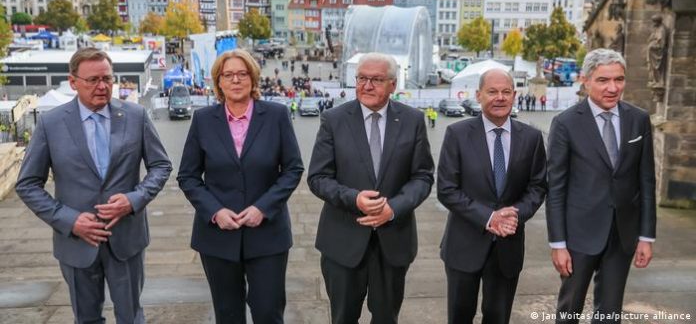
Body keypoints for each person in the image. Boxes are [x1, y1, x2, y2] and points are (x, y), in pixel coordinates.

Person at [15, 47, 172, 323]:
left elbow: (161, 166)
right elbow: (27, 184)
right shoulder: (51, 124)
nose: (102, 86)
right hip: (76, 242)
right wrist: (70, 220)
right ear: (73, 82)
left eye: (107, 79)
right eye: (93, 80)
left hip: (126, 239)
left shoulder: (136, 116)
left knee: (132, 317)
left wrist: (134, 199)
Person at [177, 50, 304, 324]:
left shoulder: (276, 115)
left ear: (253, 78)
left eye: (242, 73)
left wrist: (263, 207)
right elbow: (187, 176)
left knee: (269, 312)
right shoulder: (203, 120)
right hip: (217, 236)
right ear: (218, 82)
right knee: (228, 314)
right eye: (228, 75)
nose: (236, 80)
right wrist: (214, 211)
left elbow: (293, 169)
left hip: (267, 234)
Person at [307, 52, 434, 324]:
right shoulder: (334, 119)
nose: (367, 85)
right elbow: (318, 177)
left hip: (393, 242)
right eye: (362, 78)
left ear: (393, 84)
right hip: (342, 241)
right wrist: (354, 199)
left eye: (376, 79)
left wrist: (393, 208)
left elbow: (422, 176)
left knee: (387, 317)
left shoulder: (412, 120)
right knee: (342, 318)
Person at [546, 48, 656, 323]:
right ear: (586, 80)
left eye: (619, 80)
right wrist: (558, 243)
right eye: (603, 80)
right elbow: (556, 187)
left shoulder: (639, 120)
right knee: (569, 310)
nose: (613, 88)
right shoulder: (565, 124)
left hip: (622, 235)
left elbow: (646, 181)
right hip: (578, 237)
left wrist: (646, 236)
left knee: (610, 314)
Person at [438, 69, 547, 324]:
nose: (500, 97)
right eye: (492, 91)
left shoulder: (531, 138)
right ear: (478, 95)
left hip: (507, 248)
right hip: (463, 246)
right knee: (459, 317)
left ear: (514, 95)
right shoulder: (457, 134)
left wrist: (513, 217)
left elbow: (538, 186)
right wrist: (489, 217)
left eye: (506, 92)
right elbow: (446, 189)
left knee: (498, 318)